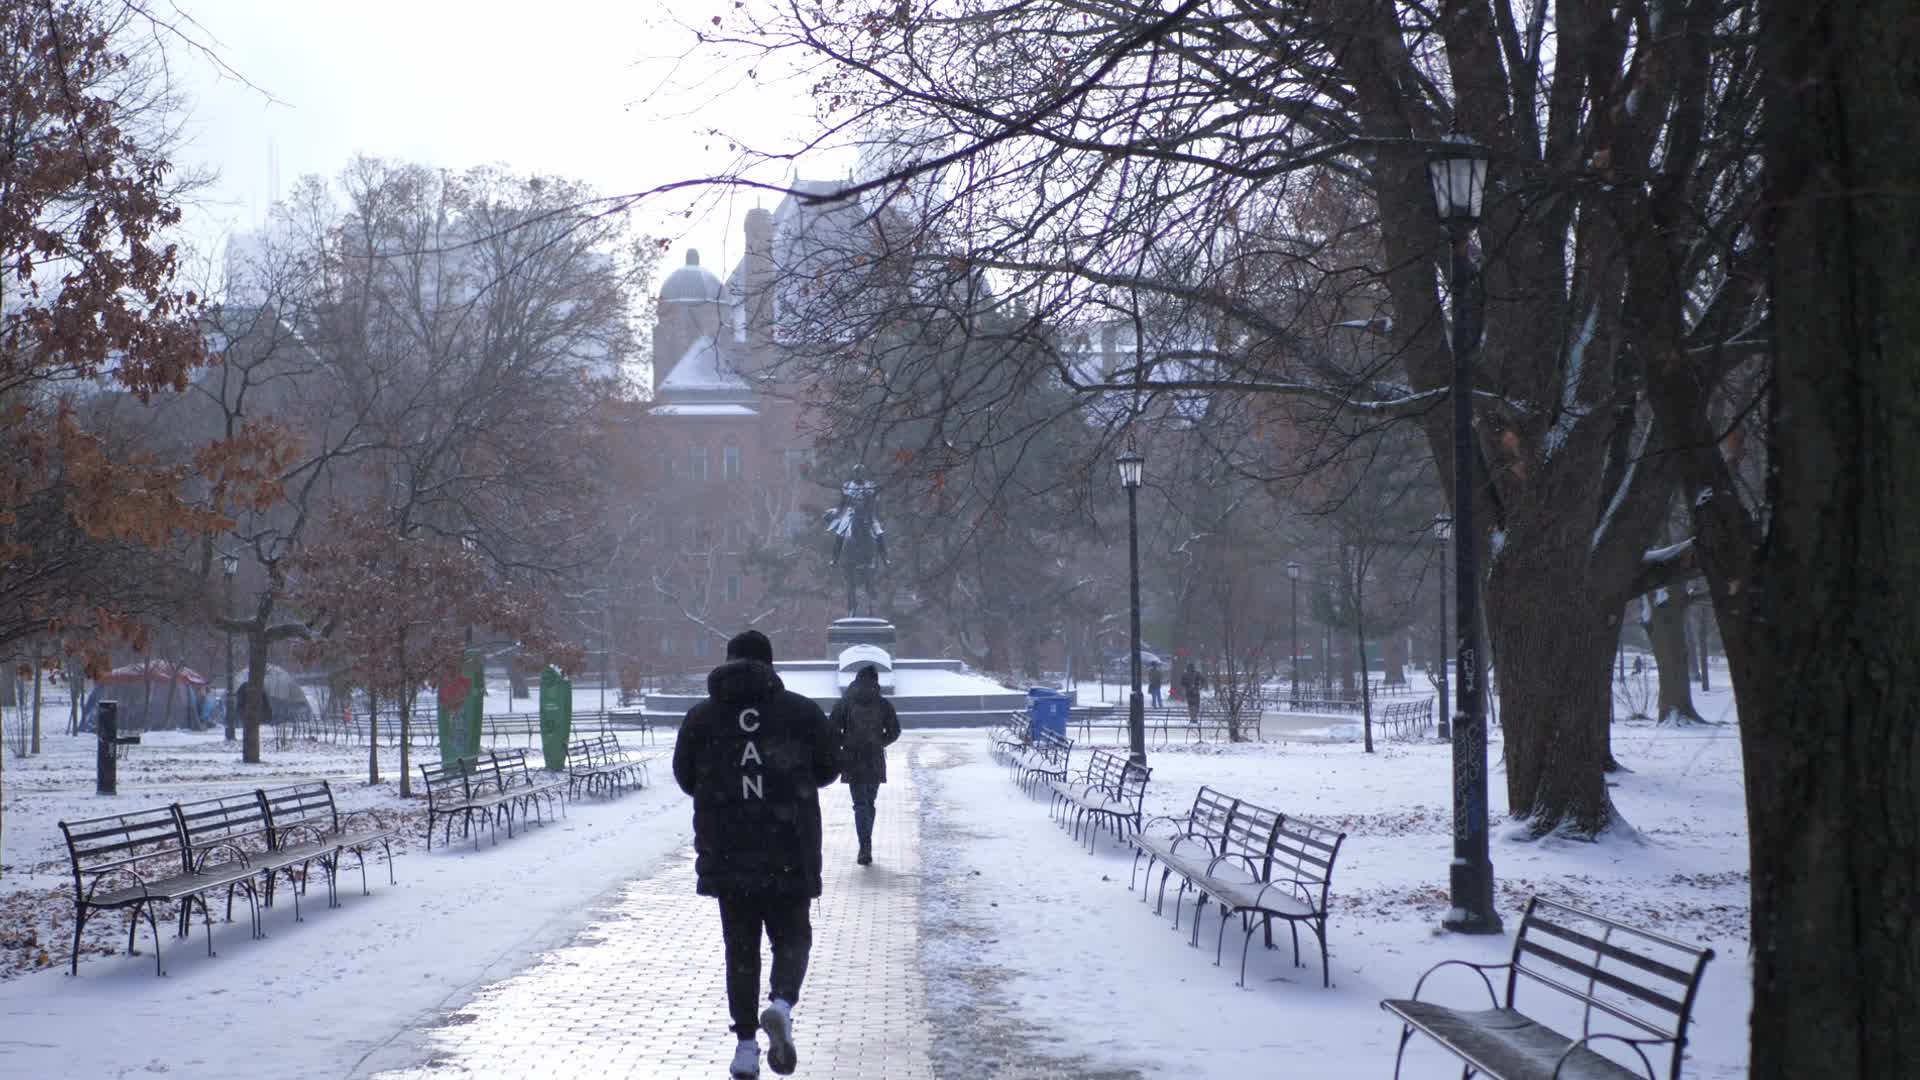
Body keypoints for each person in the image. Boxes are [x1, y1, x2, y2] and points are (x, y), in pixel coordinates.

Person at [673, 629, 839, 1079]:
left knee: (740, 950)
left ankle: (745, 1046)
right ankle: (782, 1002)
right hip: (789, 847)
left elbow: (685, 778)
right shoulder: (800, 712)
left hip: (729, 854)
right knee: (792, 937)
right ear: (771, 664)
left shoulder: (703, 717)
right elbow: (828, 768)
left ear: (728, 662)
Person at [828, 664, 902, 865]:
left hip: (852, 759)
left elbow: (832, 730)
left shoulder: (845, 703)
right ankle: (866, 842)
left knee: (859, 804)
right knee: (869, 803)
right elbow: (895, 731)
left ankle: (864, 846)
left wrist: (847, 743)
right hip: (875, 759)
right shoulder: (883, 704)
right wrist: (879, 741)